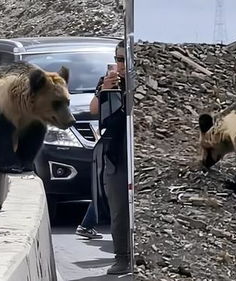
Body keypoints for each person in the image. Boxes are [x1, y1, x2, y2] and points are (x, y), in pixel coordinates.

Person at [89, 39, 131, 275]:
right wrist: (105, 89)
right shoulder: (108, 82)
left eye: (125, 59)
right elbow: (94, 109)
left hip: (138, 151)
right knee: (119, 209)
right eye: (118, 59)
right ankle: (122, 256)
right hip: (116, 154)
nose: (121, 64)